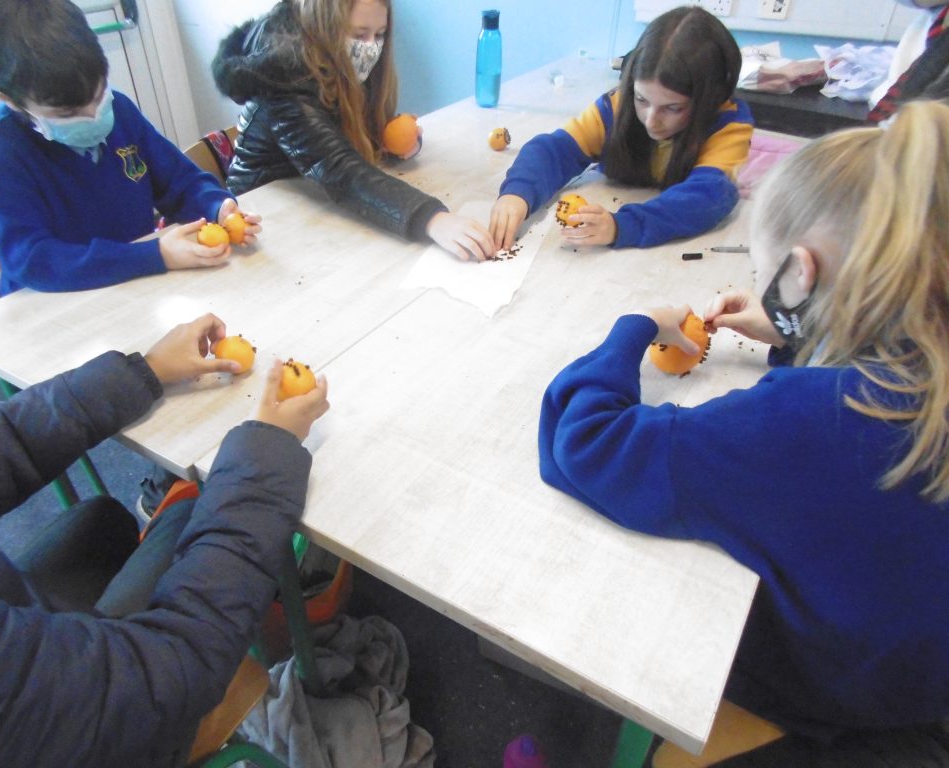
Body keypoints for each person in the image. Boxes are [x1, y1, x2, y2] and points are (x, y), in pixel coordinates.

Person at [538, 100, 949, 766]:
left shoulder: (806, 420)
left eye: (766, 276)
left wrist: (636, 325)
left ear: (801, 274)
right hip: (922, 681)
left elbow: (586, 445)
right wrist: (797, 330)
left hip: (849, 704)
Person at [0, 313, 330, 767]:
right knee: (190, 515)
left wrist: (142, 372)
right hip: (130, 725)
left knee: (101, 521)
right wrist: (268, 453)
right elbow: (175, 670)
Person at [0, 0, 262, 295]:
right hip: (55, 299)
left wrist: (216, 206)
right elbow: (31, 259)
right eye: (67, 114)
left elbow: (179, 182)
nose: (92, 115)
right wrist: (154, 255)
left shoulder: (119, 110)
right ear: (9, 100)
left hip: (133, 282)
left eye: (99, 94)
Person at [212, 0, 495, 261]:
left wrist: (390, 143)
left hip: (315, 198)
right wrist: (431, 218)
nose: (371, 47)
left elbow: (346, 136)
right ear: (325, 28)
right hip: (264, 217)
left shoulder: (337, 59)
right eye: (359, 35)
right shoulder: (283, 79)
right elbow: (338, 169)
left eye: (379, 34)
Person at [490, 6, 753, 252]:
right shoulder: (615, 107)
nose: (651, 120)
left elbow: (706, 198)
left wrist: (621, 226)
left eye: (672, 108)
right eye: (641, 99)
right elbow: (554, 150)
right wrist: (517, 193)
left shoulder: (728, 125)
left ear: (708, 101)